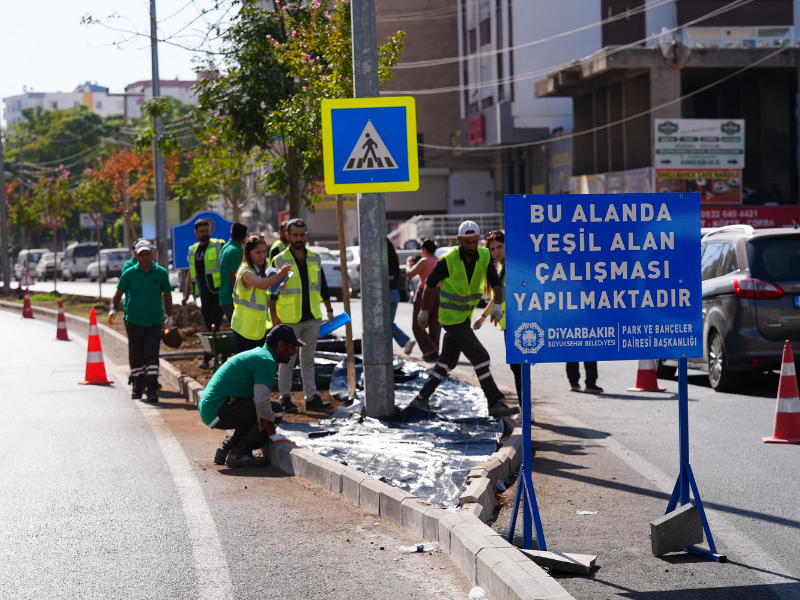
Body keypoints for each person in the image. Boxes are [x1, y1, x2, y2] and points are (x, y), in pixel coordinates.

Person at [412, 221, 518, 417]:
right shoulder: (448, 260)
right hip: (452, 319)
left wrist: (496, 306)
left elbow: (495, 283)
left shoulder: (484, 256)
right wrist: (424, 311)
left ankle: (420, 400)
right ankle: (495, 402)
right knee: (481, 356)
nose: (471, 246)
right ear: (459, 240)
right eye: (467, 242)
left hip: (464, 317)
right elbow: (429, 285)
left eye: (475, 242)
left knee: (446, 363)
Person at [198, 325, 302, 468]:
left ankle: (226, 449)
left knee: (255, 413)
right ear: (280, 345)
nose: (294, 351)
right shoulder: (266, 361)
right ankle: (240, 454)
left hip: (212, 409)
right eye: (292, 346)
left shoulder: (260, 354)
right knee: (275, 410)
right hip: (218, 409)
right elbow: (261, 402)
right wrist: (272, 434)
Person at [270, 218, 335, 413]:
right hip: (289, 320)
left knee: (308, 359)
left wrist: (329, 310)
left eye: (302, 234)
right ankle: (285, 398)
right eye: (295, 235)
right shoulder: (279, 260)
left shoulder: (315, 257)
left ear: (306, 235)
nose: (299, 238)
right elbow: (273, 292)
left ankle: (311, 397)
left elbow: (322, 285)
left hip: (313, 317)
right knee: (287, 361)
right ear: (287, 236)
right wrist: (274, 318)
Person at [109, 239, 174, 402]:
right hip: (134, 320)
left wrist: (170, 317)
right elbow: (118, 294)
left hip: (154, 321)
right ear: (136, 256)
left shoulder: (161, 273)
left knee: (152, 354)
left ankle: (152, 387)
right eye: (141, 255)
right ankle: (138, 384)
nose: (145, 258)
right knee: (136, 355)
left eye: (147, 254)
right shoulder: (129, 273)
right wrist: (113, 309)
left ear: (152, 255)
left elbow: (167, 295)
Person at [473, 230, 522, 401]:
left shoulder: (514, 268)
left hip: (518, 324)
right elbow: (496, 298)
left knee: (519, 368)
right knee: (517, 368)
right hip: (508, 325)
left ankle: (526, 411)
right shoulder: (501, 268)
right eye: (492, 249)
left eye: (499, 247)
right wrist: (483, 317)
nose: (496, 252)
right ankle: (525, 410)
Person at [231, 235, 292, 354]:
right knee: (247, 368)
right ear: (248, 253)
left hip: (256, 329)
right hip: (244, 328)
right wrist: (280, 275)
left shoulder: (257, 271)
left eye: (264, 251)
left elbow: (262, 292)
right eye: (257, 252)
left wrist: (277, 287)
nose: (262, 255)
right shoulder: (246, 271)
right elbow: (261, 285)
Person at [182, 218, 226, 369]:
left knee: (213, 325)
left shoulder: (218, 245)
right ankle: (220, 356)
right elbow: (190, 274)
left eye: (206, 230)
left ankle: (206, 358)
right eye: (201, 231)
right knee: (210, 326)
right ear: (196, 233)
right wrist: (186, 295)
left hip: (218, 293)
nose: (204, 233)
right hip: (204, 295)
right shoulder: (193, 250)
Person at [405, 238, 440, 361]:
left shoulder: (424, 261)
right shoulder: (439, 260)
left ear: (424, 249)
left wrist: (408, 263)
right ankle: (435, 349)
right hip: (439, 292)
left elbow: (410, 273)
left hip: (425, 291)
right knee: (435, 323)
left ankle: (429, 348)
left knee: (417, 324)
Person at [387, 239, 414, 355]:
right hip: (394, 293)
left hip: (387, 294)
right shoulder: (393, 256)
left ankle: (405, 340)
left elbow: (390, 276)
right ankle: (404, 342)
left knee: (386, 324)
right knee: (388, 323)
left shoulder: (386, 258)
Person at [219, 221, 248, 323]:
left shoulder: (225, 248)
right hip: (232, 298)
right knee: (240, 331)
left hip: (224, 295)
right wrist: (239, 297)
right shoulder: (235, 251)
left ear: (231, 234)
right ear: (244, 236)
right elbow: (234, 277)